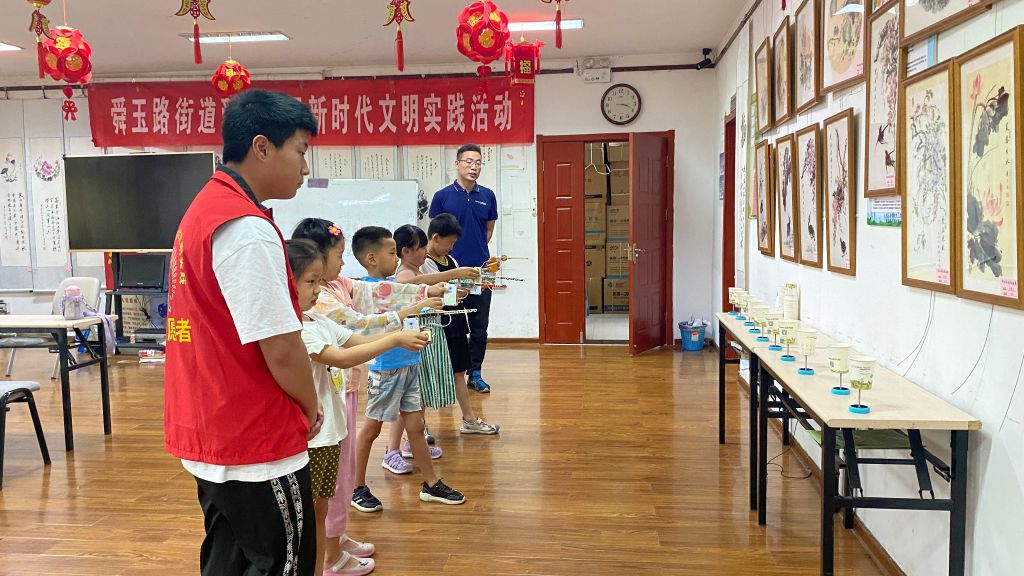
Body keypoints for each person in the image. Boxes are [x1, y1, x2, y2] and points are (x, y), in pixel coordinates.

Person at [164, 89, 321, 575]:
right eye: (300, 151)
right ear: (261, 147)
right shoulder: (246, 228)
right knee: (282, 564)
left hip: (213, 424)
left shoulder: (204, 209)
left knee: (229, 560)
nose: (305, 167)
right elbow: (282, 346)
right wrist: (310, 406)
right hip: (255, 437)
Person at [288, 238, 428, 576]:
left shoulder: (315, 319)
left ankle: (329, 555)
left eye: (319, 281)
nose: (319, 289)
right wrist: (395, 339)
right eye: (311, 282)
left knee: (323, 506)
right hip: (315, 439)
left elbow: (358, 339)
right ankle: (326, 561)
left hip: (330, 432)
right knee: (314, 511)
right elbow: (340, 357)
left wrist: (397, 333)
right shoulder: (298, 330)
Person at [349, 226, 466, 513]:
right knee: (371, 428)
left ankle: (431, 484)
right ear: (372, 258)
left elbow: (413, 293)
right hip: (386, 369)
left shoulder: (393, 285)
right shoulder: (367, 290)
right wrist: (426, 296)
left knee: (415, 425)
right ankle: (356, 487)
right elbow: (396, 304)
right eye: (392, 253)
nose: (396, 259)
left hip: (409, 363)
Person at [414, 217, 500, 434]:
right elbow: (431, 289)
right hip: (435, 325)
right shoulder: (424, 264)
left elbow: (455, 290)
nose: (451, 247)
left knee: (459, 371)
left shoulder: (451, 259)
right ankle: (419, 426)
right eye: (449, 242)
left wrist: (471, 286)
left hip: (456, 324)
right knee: (426, 374)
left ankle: (469, 419)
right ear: (435, 237)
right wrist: (454, 285)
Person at [429, 143, 498, 393]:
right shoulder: (442, 196)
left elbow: (488, 231)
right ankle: (449, 373)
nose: (474, 167)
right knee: (451, 324)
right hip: (449, 273)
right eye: (468, 161)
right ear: (457, 164)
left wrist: (475, 255)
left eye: (478, 162)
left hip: (481, 272)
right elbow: (435, 235)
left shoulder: (487, 196)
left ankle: (475, 373)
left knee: (479, 326)